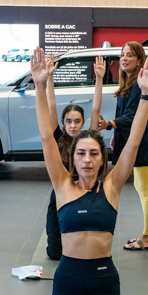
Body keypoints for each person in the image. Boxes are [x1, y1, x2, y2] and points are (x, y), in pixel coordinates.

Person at [33, 47, 148, 295]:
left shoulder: (113, 186)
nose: (87, 160)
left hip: (104, 284)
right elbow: (47, 137)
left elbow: (133, 142)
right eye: (81, 154)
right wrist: (40, 85)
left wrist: (146, 95)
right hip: (67, 283)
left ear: (103, 159)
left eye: (94, 154)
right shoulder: (62, 185)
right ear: (72, 158)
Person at [96, 42, 148, 251]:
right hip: (141, 140)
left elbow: (132, 116)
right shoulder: (130, 82)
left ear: (139, 60)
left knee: (146, 190)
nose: (124, 59)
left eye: (129, 55)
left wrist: (110, 124)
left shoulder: (139, 84)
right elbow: (126, 114)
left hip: (147, 141)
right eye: (122, 55)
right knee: (141, 187)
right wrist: (116, 133)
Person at [45, 55, 105, 260]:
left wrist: (99, 79)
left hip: (83, 193)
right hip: (61, 193)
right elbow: (51, 107)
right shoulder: (57, 138)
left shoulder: (87, 139)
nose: (72, 126)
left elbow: (96, 108)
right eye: (68, 121)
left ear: (83, 122)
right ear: (63, 122)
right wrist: (49, 77)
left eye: (77, 121)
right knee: (55, 253)